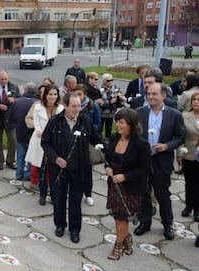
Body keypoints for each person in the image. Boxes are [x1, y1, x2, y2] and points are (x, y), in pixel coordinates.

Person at [41, 93, 103, 243]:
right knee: (59, 198)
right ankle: (60, 225)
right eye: (74, 106)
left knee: (75, 201)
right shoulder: (55, 122)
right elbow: (45, 142)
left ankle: (75, 230)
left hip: (79, 170)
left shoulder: (85, 121)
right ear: (66, 106)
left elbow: (97, 138)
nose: (77, 109)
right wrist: (55, 158)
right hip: (59, 170)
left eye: (79, 106)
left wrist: (103, 146)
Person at [134, 83, 185, 240]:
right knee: (143, 193)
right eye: (148, 94)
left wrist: (167, 146)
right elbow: (133, 135)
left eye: (154, 94)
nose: (150, 97)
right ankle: (145, 222)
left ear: (163, 96)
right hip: (143, 160)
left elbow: (180, 137)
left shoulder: (174, 115)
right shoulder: (139, 112)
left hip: (162, 161)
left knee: (162, 194)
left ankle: (167, 223)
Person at [105, 108, 151, 260]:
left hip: (130, 188)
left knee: (121, 218)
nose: (118, 126)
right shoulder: (114, 138)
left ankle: (118, 246)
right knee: (118, 217)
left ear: (131, 124)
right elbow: (108, 158)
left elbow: (145, 168)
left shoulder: (140, 144)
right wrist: (108, 167)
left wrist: (125, 176)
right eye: (117, 122)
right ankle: (126, 239)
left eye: (121, 123)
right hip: (114, 187)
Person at [25, 84, 64, 206]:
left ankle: (53, 195)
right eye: (50, 94)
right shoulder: (38, 107)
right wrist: (41, 132)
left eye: (55, 94)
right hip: (41, 141)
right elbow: (36, 124)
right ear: (45, 95)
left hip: (56, 143)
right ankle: (42, 195)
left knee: (54, 171)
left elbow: (62, 126)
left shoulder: (61, 109)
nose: (52, 97)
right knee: (42, 170)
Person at [72, 84, 102, 206]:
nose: (77, 97)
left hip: (87, 141)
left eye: (79, 94)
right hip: (74, 141)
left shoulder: (92, 105)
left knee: (87, 170)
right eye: (75, 94)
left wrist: (88, 131)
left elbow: (97, 122)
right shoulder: (71, 106)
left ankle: (88, 194)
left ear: (84, 94)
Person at [8, 82, 38, 180]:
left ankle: (19, 174)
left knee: (20, 155)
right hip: (32, 134)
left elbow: (11, 118)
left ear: (25, 90)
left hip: (20, 132)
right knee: (30, 156)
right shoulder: (37, 104)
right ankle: (27, 174)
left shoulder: (16, 102)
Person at [178, 91, 199, 221]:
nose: (196, 101)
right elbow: (180, 136)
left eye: (198, 99)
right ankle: (188, 206)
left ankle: (197, 209)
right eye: (194, 99)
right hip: (188, 153)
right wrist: (180, 154)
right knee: (189, 182)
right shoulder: (185, 116)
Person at [0, 69, 20, 170]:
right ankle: (0, 161)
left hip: (10, 119)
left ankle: (10, 160)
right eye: (2, 79)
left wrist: (15, 100)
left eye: (5, 79)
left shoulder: (14, 87)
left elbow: (20, 100)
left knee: (13, 140)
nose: (4, 81)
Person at [99, 74, 125, 139]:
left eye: (111, 80)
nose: (110, 82)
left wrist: (120, 97)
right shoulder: (101, 89)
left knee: (109, 128)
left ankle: (108, 140)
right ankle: (99, 141)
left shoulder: (115, 87)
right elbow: (103, 102)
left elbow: (121, 98)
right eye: (108, 81)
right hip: (102, 112)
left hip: (111, 112)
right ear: (104, 81)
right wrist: (113, 100)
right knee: (100, 128)